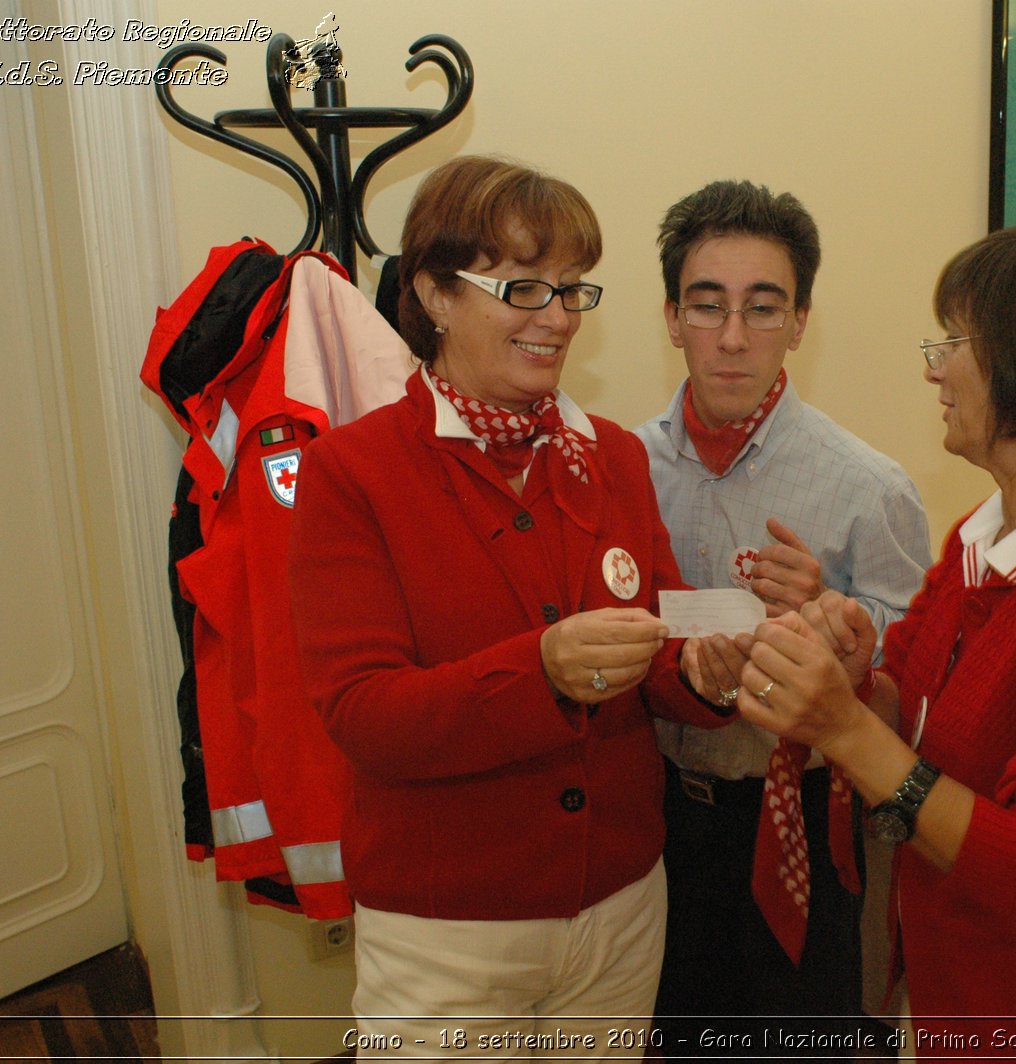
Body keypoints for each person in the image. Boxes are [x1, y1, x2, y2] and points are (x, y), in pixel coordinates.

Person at [287, 155, 729, 1057]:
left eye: (572, 289)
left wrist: (709, 671)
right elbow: (365, 714)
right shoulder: (352, 473)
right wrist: (544, 671)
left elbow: (657, 651)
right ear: (435, 294)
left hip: (620, 904)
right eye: (523, 286)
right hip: (447, 930)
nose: (558, 317)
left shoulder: (608, 454)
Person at [732, 212, 1016, 1060]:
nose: (934, 368)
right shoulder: (985, 534)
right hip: (952, 987)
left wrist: (840, 729)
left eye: (955, 342)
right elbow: (907, 708)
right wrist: (854, 677)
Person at [635, 180, 930, 1056]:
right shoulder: (623, 468)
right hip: (654, 821)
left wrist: (845, 639)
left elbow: (913, 700)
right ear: (669, 315)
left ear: (801, 320)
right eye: (707, 306)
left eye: (763, 308)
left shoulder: (866, 487)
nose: (732, 339)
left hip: (795, 818)